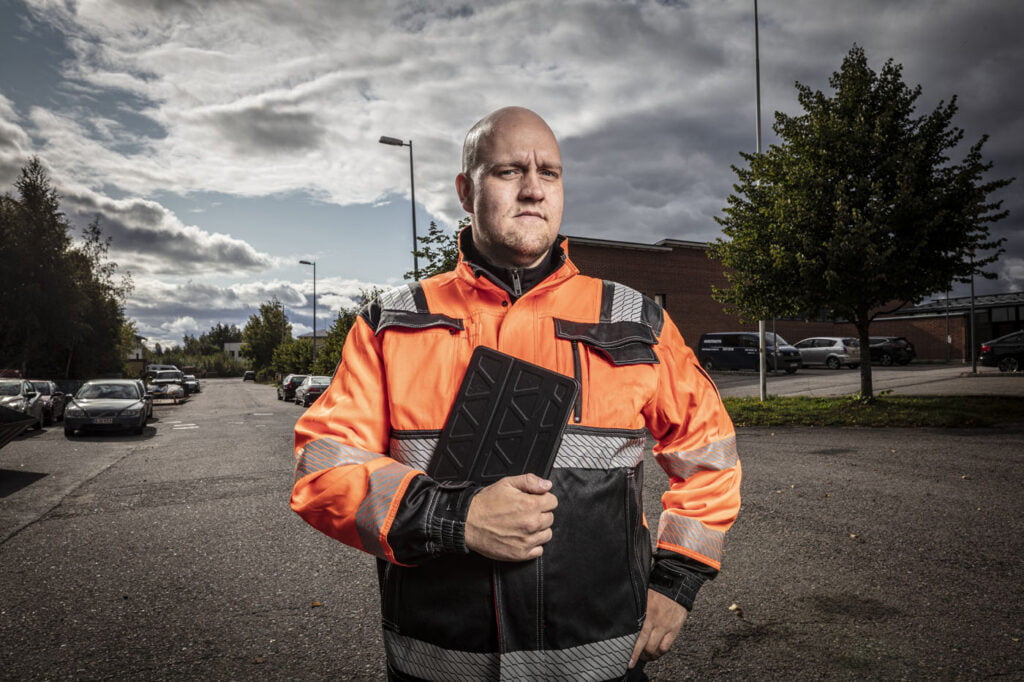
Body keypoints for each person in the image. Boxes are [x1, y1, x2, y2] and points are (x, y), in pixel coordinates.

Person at [291, 106, 741, 681]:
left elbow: (709, 458)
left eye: (548, 172)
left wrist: (677, 580)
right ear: (465, 190)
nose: (533, 188)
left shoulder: (635, 319)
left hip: (600, 664)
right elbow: (323, 470)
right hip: (441, 667)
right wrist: (456, 517)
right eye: (508, 171)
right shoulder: (393, 323)